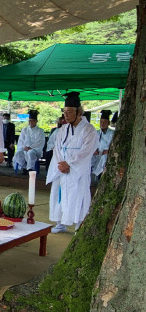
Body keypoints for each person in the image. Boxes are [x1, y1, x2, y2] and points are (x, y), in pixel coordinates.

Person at [47, 92, 98, 233]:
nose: (66, 116)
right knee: (59, 195)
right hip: (62, 168)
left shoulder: (89, 130)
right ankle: (60, 222)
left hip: (77, 170)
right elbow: (57, 147)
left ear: (79, 111)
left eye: (69, 112)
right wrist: (61, 164)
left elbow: (86, 151)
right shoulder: (63, 129)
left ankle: (79, 225)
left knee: (79, 196)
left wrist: (69, 164)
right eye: (64, 112)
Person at [91, 110, 115, 178]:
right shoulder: (96, 133)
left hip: (106, 156)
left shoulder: (112, 133)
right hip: (97, 155)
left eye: (105, 122)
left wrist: (109, 151)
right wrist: (94, 150)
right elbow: (91, 144)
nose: (102, 124)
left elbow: (114, 145)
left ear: (108, 123)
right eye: (101, 122)